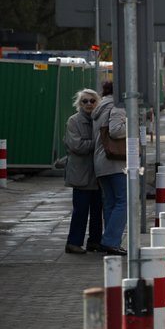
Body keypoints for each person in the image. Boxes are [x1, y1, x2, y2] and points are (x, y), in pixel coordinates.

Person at [64, 89, 103, 254]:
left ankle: (95, 241)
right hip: (81, 173)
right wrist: (98, 144)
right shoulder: (73, 121)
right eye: (85, 101)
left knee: (97, 211)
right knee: (80, 211)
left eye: (92, 101)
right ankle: (73, 243)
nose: (88, 104)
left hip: (98, 173)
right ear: (79, 104)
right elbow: (76, 145)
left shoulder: (99, 120)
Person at [92, 81, 128, 256]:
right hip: (115, 162)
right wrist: (133, 125)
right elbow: (115, 131)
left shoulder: (99, 108)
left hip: (100, 162)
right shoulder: (117, 107)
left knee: (110, 203)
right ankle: (111, 241)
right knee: (124, 201)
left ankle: (109, 240)